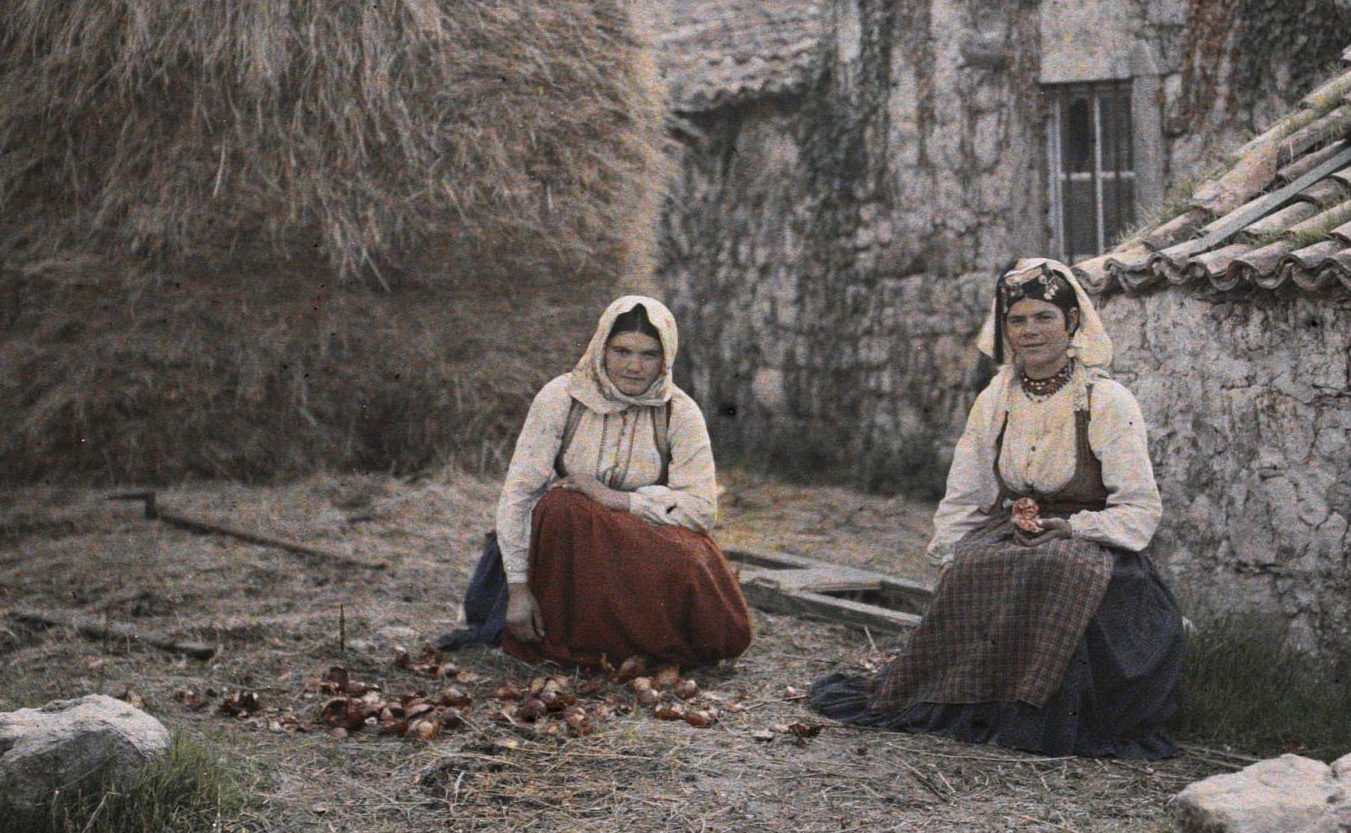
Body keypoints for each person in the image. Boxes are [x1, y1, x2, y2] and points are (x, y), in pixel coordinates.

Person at [809, 258, 1184, 757]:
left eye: (1044, 317)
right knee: (976, 561)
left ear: (1072, 322)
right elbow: (967, 489)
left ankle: (1042, 713)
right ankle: (979, 702)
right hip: (1018, 529)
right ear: (1004, 329)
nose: (1030, 331)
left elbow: (1139, 507)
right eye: (1017, 320)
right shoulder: (997, 397)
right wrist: (949, 552)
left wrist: (1075, 528)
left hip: (1091, 543)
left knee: (1058, 564)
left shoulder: (1106, 399)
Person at [439, 295, 753, 667]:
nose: (634, 366)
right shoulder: (562, 397)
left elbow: (701, 510)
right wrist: (518, 590)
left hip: (640, 541)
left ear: (665, 358)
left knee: (709, 599)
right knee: (561, 506)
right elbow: (518, 495)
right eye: (622, 351)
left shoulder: (679, 411)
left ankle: (634, 643)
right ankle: (584, 643)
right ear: (601, 348)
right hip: (567, 552)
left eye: (649, 355)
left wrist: (617, 499)